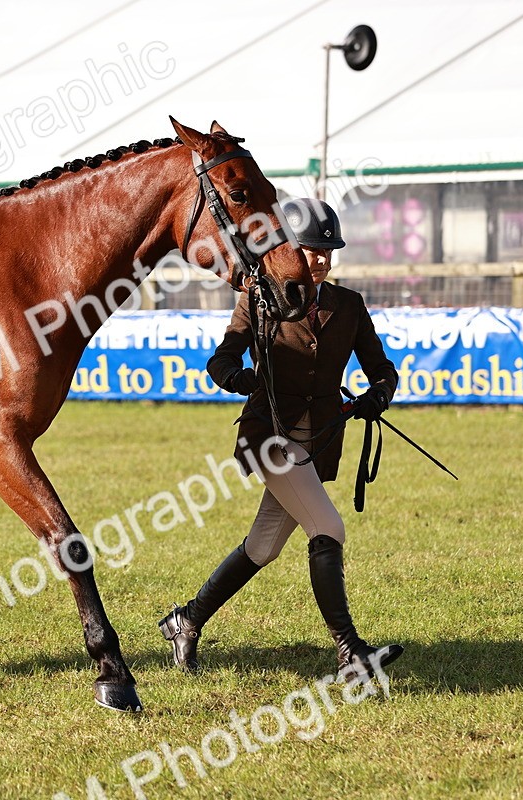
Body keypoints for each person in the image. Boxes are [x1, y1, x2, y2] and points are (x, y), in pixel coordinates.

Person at [157, 198, 404, 679]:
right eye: (313, 250)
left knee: (263, 547)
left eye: (328, 251)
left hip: (318, 440)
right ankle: (351, 653)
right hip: (270, 436)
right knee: (328, 527)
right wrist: (238, 377)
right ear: (290, 250)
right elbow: (221, 359)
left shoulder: (349, 306)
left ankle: (185, 621)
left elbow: (382, 369)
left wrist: (379, 393)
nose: (322, 259)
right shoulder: (258, 298)